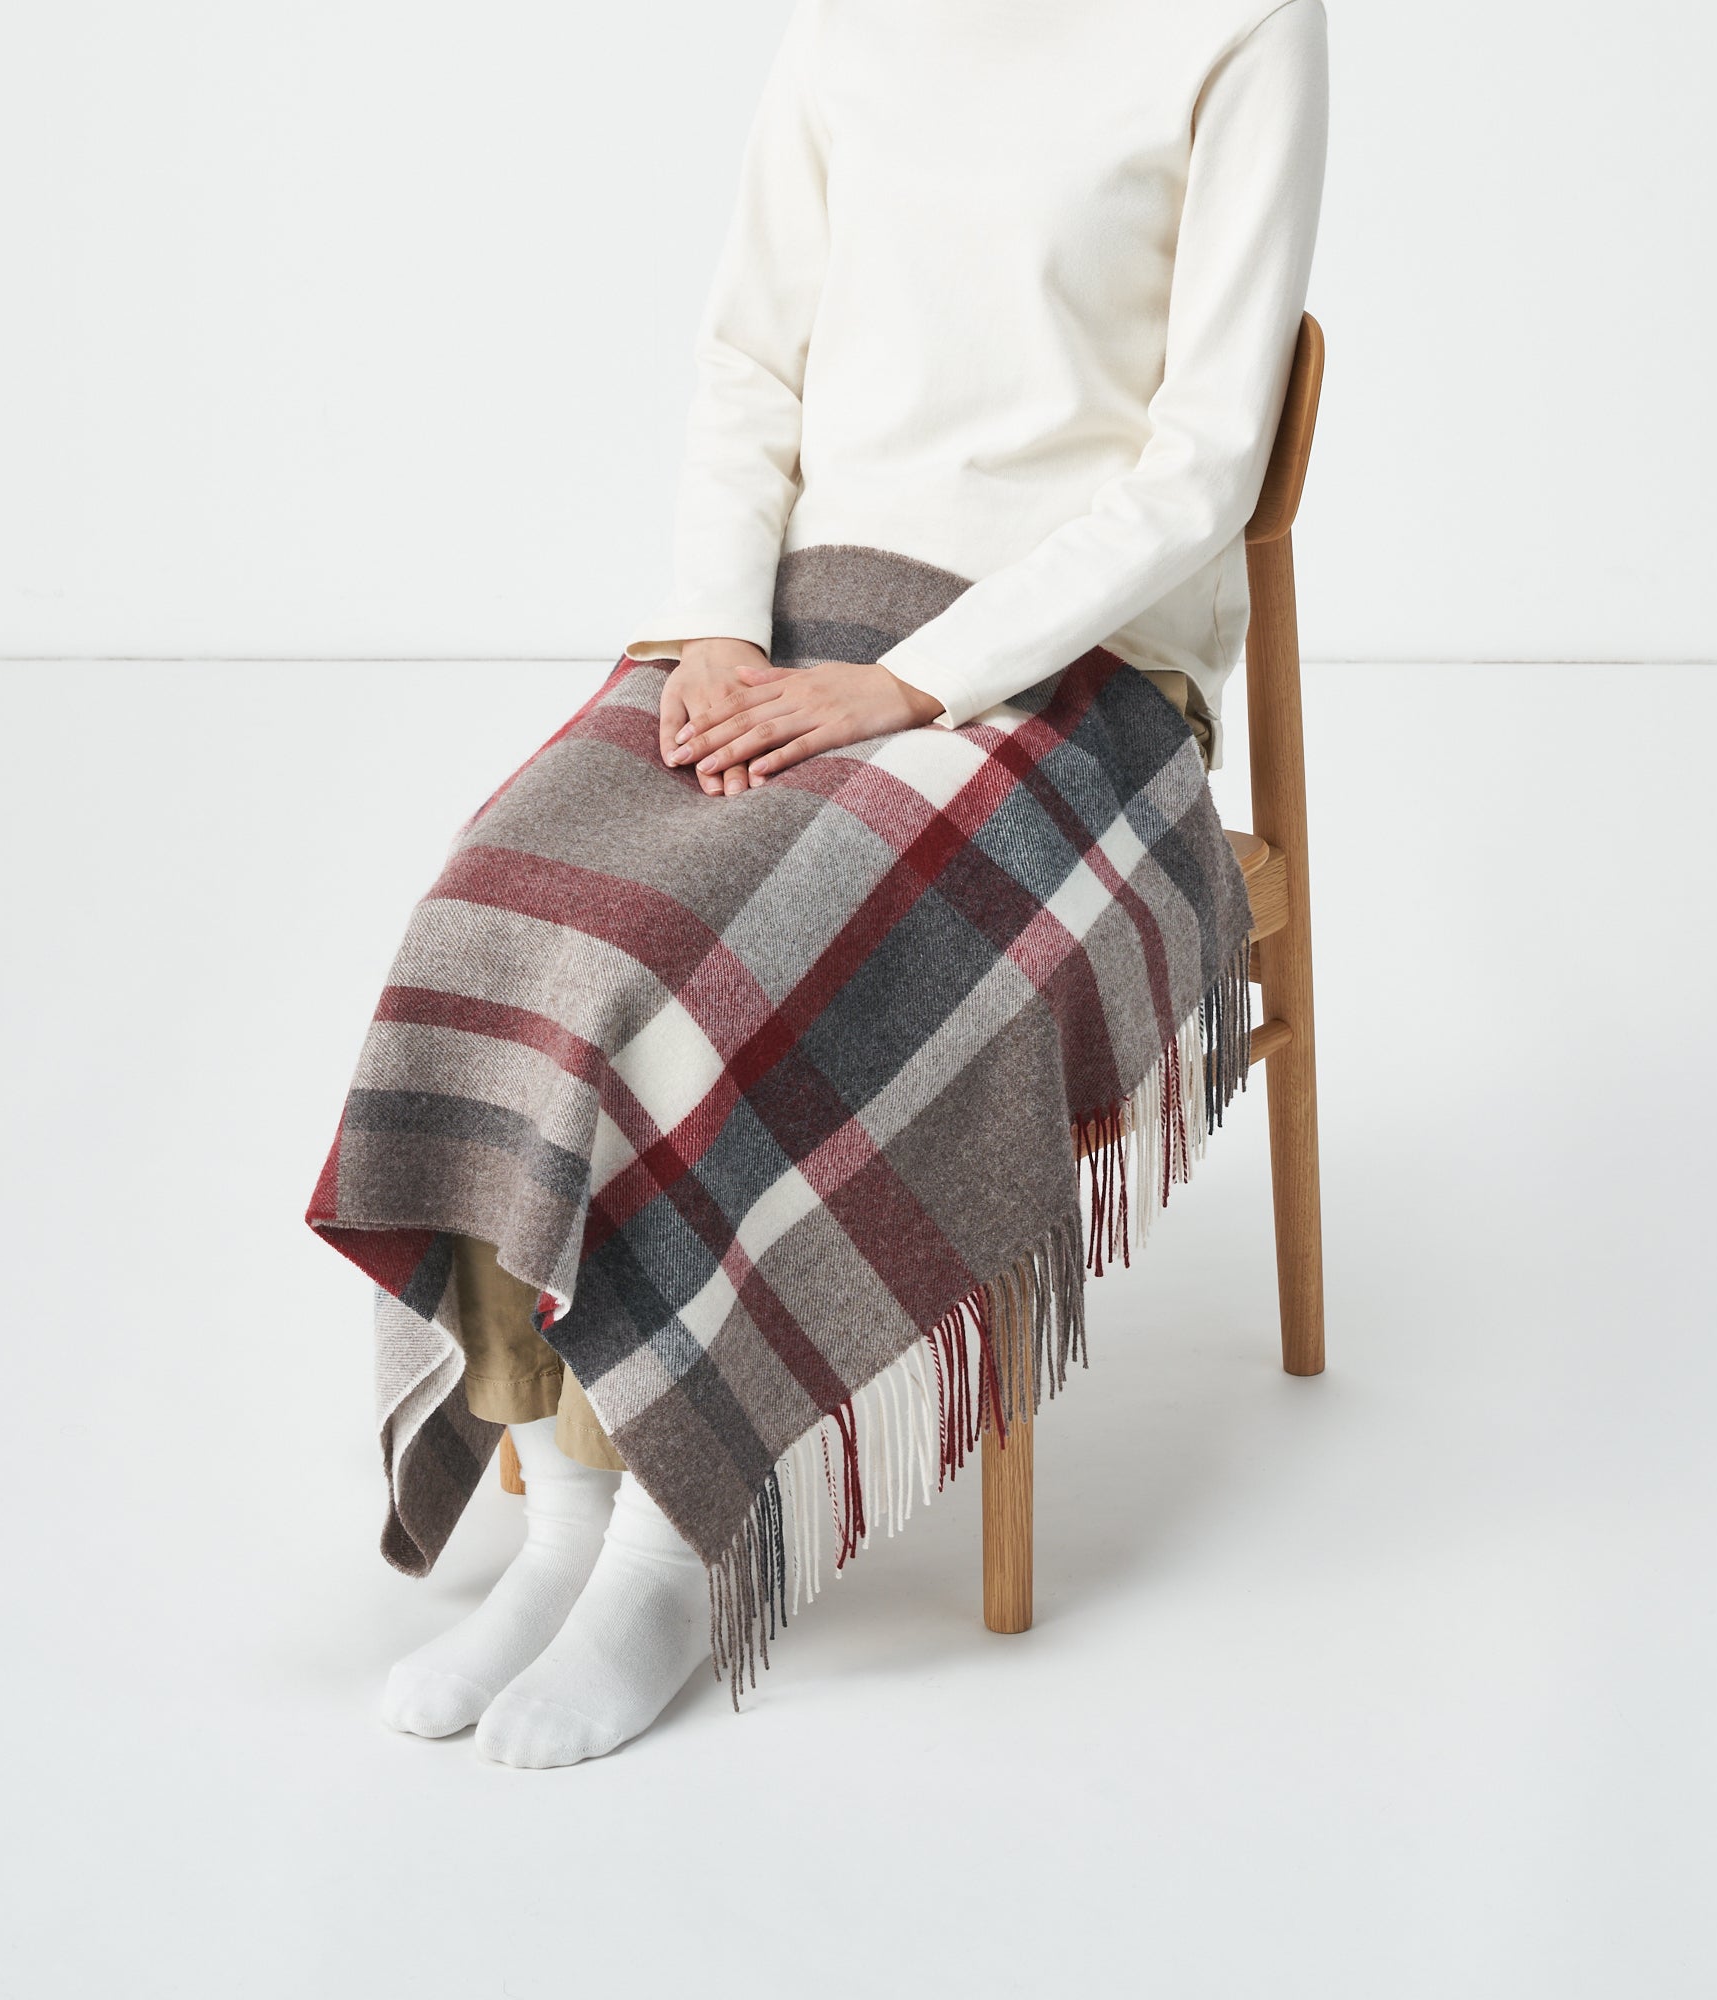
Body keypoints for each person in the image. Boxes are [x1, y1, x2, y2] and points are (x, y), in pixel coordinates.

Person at [381, 0, 1328, 1767]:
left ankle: (674, 1545)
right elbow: (752, 361)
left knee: (754, 958)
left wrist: (913, 686)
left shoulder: (1243, 27)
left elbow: (1206, 460)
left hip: (1076, 670)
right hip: (798, 619)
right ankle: (567, 1517)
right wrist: (717, 633)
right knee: (516, 914)